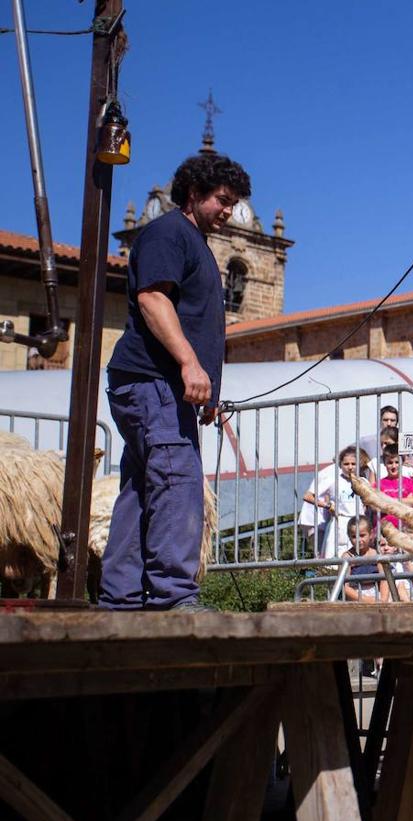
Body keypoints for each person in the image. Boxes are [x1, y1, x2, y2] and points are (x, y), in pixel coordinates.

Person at [100, 153, 251, 612]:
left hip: (161, 388)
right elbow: (152, 299)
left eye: (234, 203)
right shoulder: (169, 233)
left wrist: (204, 389)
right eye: (223, 201)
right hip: (153, 381)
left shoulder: (195, 242)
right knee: (177, 480)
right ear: (194, 193)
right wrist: (189, 364)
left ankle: (121, 597)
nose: (229, 211)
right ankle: (172, 596)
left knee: (142, 487)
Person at [304, 445, 374, 558]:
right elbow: (308, 496)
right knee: (335, 558)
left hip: (359, 523)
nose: (350, 467)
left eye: (353, 464)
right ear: (340, 464)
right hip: (340, 522)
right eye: (346, 464)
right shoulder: (333, 480)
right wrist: (327, 505)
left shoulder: (363, 481)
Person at [377, 445, 413, 530]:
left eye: (397, 462)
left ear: (402, 463)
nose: (394, 466)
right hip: (385, 530)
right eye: (390, 462)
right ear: (384, 463)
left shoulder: (410, 483)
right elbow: (376, 505)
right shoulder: (378, 484)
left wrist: (388, 501)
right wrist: (405, 501)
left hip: (406, 529)